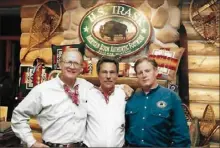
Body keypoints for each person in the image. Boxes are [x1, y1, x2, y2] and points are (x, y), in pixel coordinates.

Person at [11, 48, 133, 147]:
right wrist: (31, 143)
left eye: (76, 63)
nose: (72, 66)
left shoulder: (87, 87)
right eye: (68, 62)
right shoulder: (43, 90)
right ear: (60, 64)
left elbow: (105, 87)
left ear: (81, 67)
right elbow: (18, 115)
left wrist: (122, 86)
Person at [125, 57, 191, 147]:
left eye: (147, 71)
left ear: (156, 71)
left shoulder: (171, 97)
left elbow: (181, 135)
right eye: (140, 73)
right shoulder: (131, 98)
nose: (144, 75)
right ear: (137, 76)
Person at [83, 56, 128, 147]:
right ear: (98, 74)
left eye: (112, 72)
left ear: (116, 75)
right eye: (104, 72)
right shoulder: (88, 94)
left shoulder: (124, 94)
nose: (108, 76)